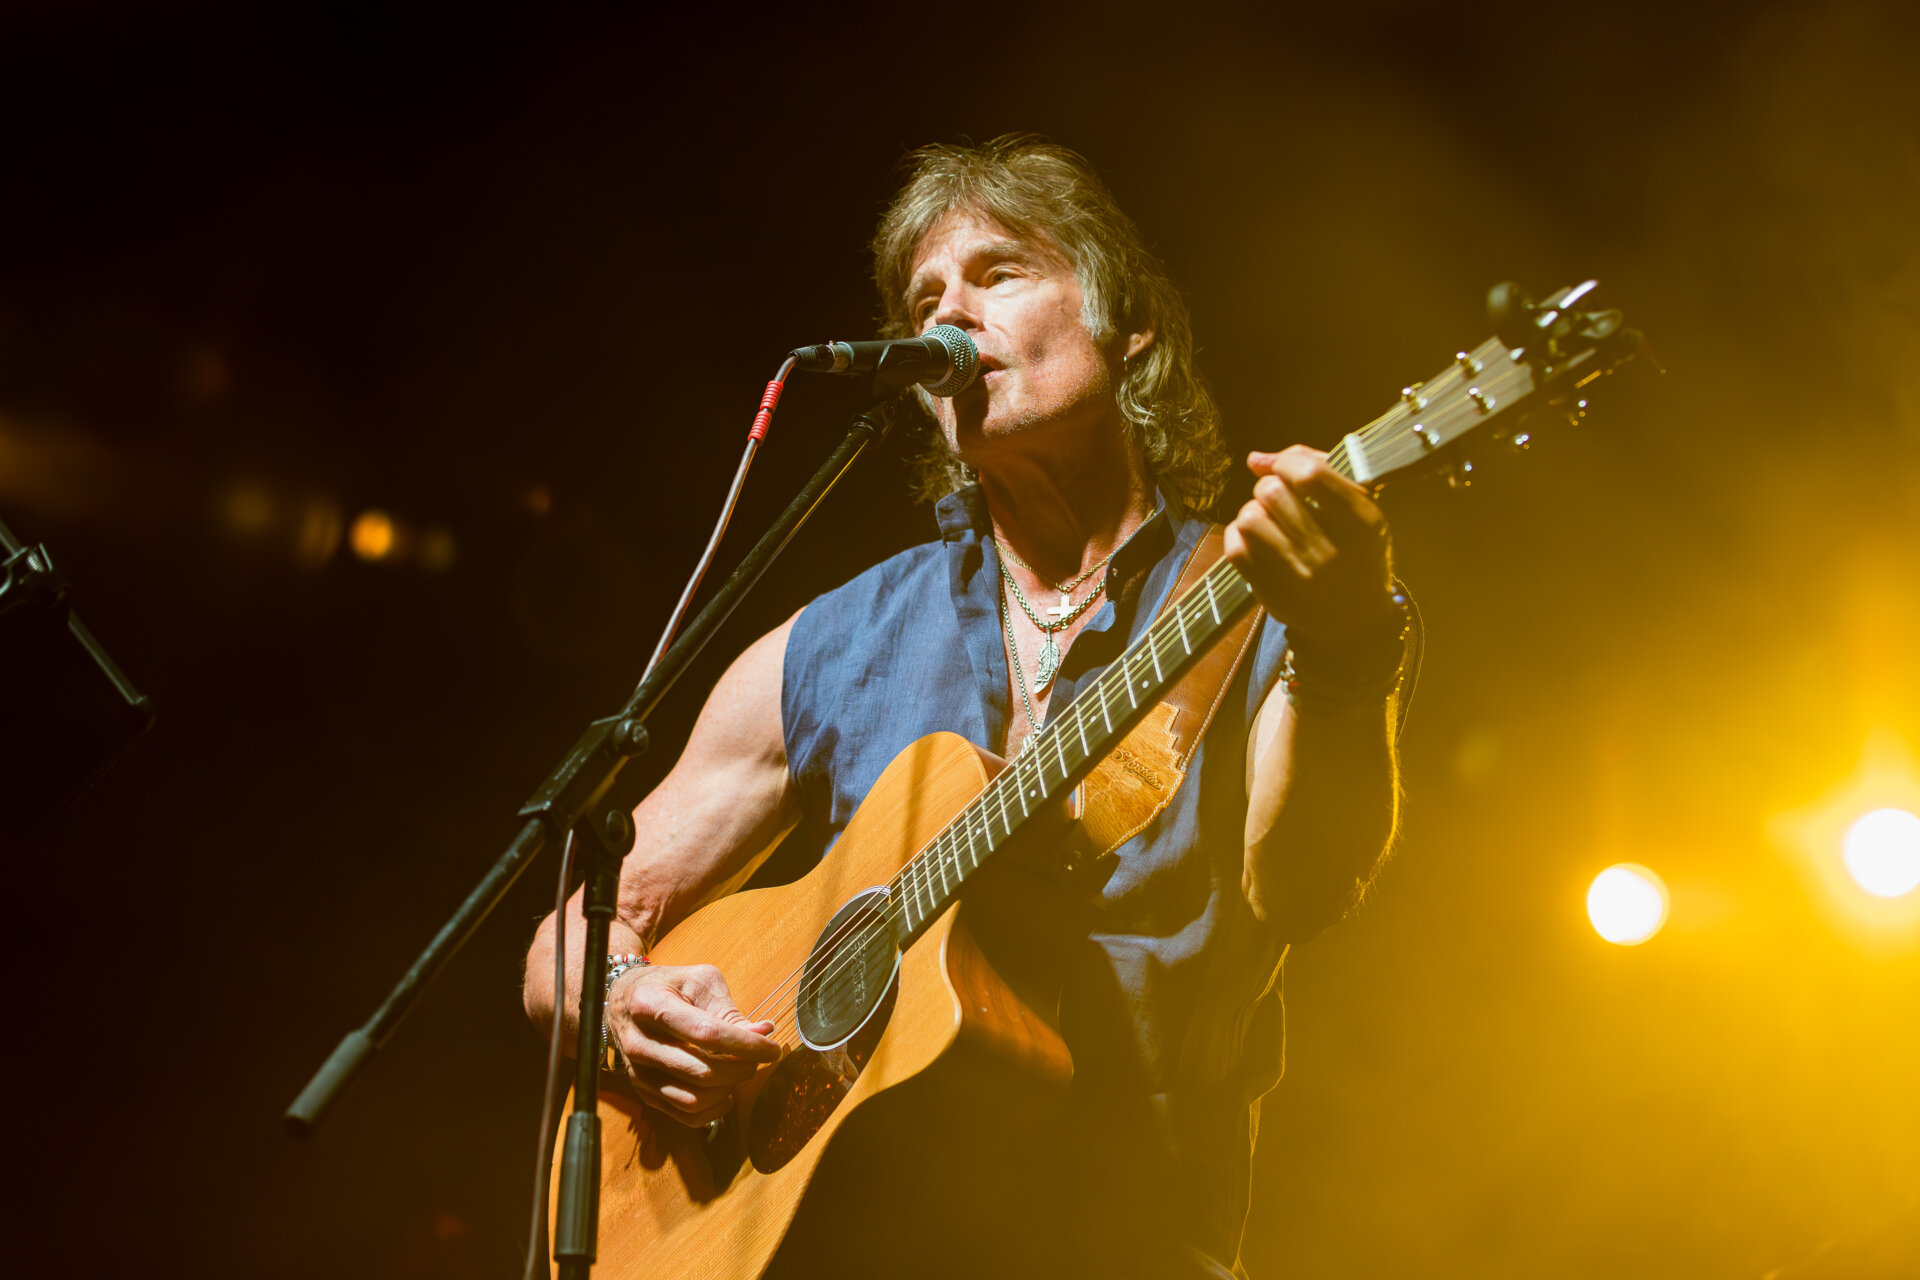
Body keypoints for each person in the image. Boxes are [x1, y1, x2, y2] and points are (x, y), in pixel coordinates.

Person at [524, 135, 1410, 1278]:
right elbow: (579, 925)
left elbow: (1303, 885)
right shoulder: (834, 641)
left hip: (1128, 1239)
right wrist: (627, 1003)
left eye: (997, 274)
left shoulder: (1260, 597)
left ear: (1126, 322)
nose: (950, 318)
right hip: (837, 1240)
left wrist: (1343, 648)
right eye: (924, 296)